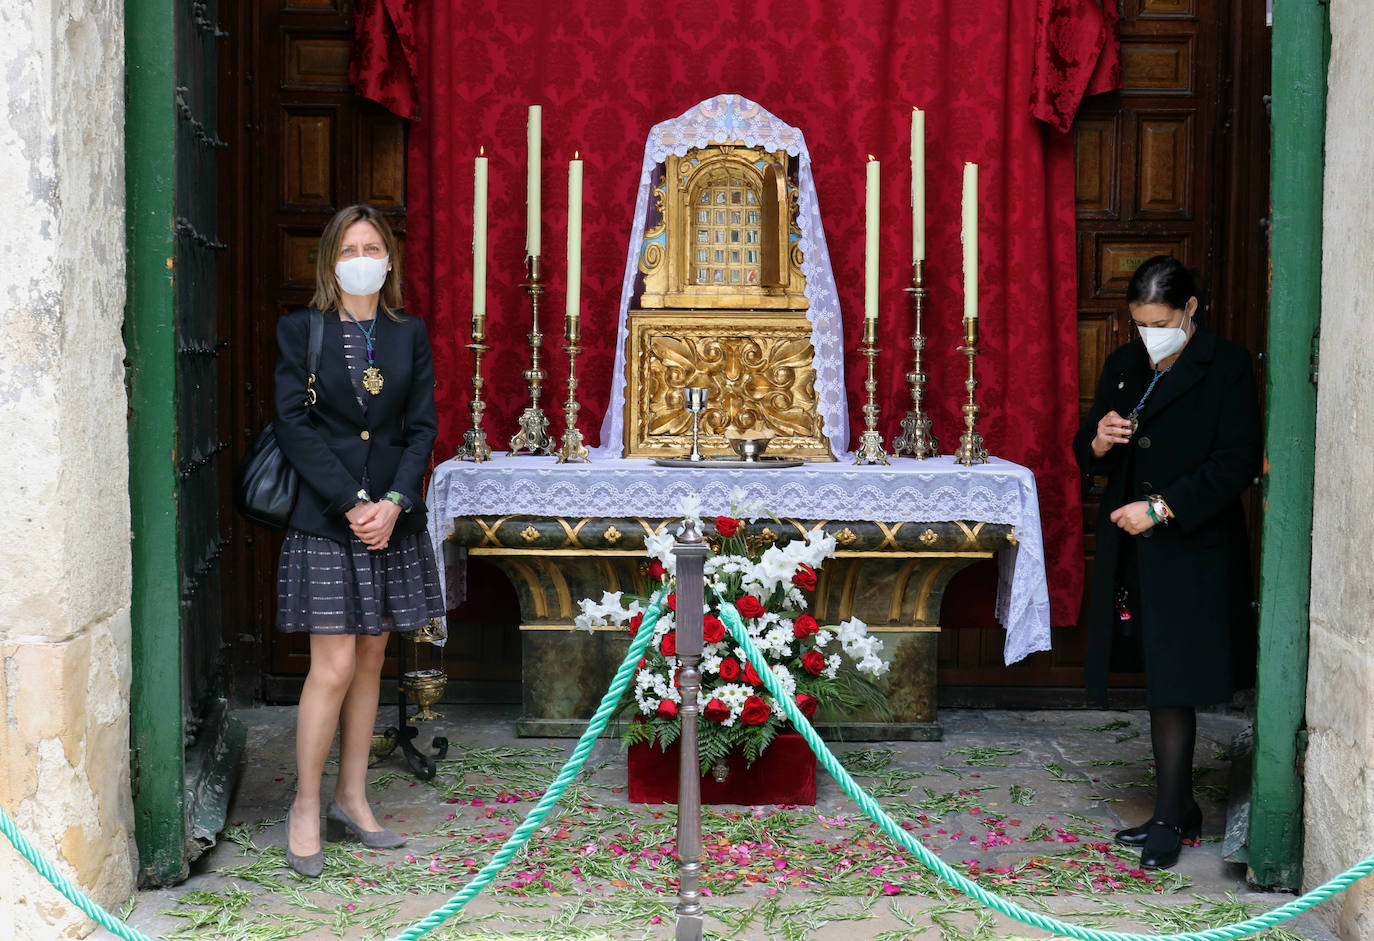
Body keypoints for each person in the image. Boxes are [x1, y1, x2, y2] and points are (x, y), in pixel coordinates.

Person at [1073, 255, 1261, 871]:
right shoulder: (1125, 364)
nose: (1149, 334)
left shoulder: (1227, 365)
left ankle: (1168, 819)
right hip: (1135, 551)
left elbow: (1236, 462)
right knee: (1160, 679)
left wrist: (1161, 508)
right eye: (1139, 322)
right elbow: (1088, 450)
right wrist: (1098, 439)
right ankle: (1180, 809)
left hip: (1193, 547)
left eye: (1161, 321)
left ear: (1190, 311)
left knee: (1176, 682)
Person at [273, 204, 443, 877]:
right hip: (327, 517)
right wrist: (351, 501)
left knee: (372, 658)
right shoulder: (301, 330)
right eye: (351, 247)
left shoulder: (409, 334)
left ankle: (352, 795)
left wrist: (395, 501)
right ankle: (306, 806)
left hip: (391, 522)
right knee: (334, 665)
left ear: (389, 260)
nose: (364, 256)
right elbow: (293, 424)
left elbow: (422, 426)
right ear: (329, 260)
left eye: (374, 246)